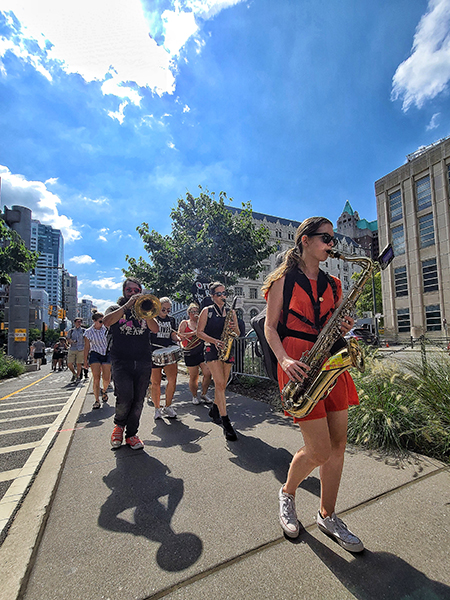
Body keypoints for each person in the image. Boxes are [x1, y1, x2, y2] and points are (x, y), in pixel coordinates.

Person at [263, 216, 364, 552]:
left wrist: (344, 325)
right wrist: (284, 359)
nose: (332, 245)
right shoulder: (283, 280)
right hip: (298, 363)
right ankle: (288, 492)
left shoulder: (334, 284)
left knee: (337, 447)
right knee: (319, 449)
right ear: (304, 240)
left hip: (330, 360)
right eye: (326, 239)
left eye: (333, 240)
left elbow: (334, 324)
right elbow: (270, 328)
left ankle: (327, 514)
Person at [103, 277, 159, 450]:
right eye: (130, 290)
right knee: (125, 397)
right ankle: (119, 427)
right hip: (121, 360)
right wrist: (127, 306)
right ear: (124, 292)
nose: (133, 293)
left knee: (138, 399)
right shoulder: (115, 309)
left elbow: (155, 328)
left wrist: (145, 310)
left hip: (143, 359)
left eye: (137, 290)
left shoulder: (145, 307)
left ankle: (132, 434)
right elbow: (106, 322)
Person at [197, 282, 240, 441]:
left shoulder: (231, 312)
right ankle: (226, 422)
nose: (223, 296)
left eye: (224, 293)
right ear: (212, 296)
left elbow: (237, 332)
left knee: (223, 383)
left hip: (227, 348)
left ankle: (214, 409)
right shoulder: (206, 311)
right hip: (212, 348)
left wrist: (233, 325)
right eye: (219, 294)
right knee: (220, 384)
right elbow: (199, 332)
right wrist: (214, 341)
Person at [150, 297, 180, 420]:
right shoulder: (152, 319)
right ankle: (157, 408)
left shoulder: (171, 320)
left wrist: (177, 338)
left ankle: (168, 406)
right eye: (164, 309)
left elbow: (172, 333)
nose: (166, 312)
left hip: (168, 351)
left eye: (168, 310)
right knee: (155, 383)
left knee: (172, 380)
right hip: (154, 352)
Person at [178, 303, 212, 405]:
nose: (195, 314)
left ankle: (204, 394)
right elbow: (180, 335)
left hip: (201, 351)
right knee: (194, 376)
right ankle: (194, 396)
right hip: (190, 352)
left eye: (197, 311)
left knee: (208, 373)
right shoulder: (185, 323)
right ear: (189, 313)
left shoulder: (201, 323)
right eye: (193, 312)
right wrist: (194, 333)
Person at [83, 311, 111, 410]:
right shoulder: (88, 332)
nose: (102, 323)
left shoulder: (107, 329)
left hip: (106, 353)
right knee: (96, 377)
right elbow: (86, 347)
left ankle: (104, 390)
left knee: (107, 378)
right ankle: (96, 400)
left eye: (103, 321)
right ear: (94, 321)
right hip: (95, 353)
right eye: (100, 321)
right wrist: (85, 360)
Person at [67, 318, 86, 383]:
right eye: (78, 322)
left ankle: (77, 376)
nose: (79, 323)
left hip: (81, 349)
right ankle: (74, 373)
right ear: (74, 322)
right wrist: (71, 341)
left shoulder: (84, 330)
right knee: (69, 363)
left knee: (79, 364)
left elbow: (86, 339)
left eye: (80, 322)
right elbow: (68, 338)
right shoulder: (71, 331)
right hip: (72, 348)